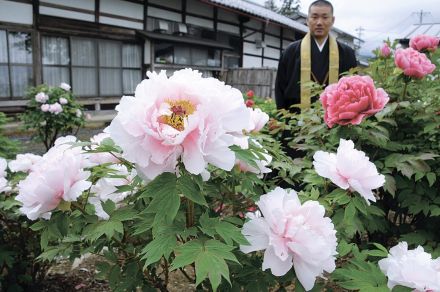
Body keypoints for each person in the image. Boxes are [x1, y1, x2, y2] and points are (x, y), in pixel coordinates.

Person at [275, 0, 357, 111]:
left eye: (325, 17)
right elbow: (280, 89)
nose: (319, 22)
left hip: (336, 121)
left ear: (332, 20)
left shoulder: (347, 53)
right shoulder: (290, 52)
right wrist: (282, 117)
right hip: (295, 120)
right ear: (307, 20)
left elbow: (353, 89)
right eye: (314, 17)